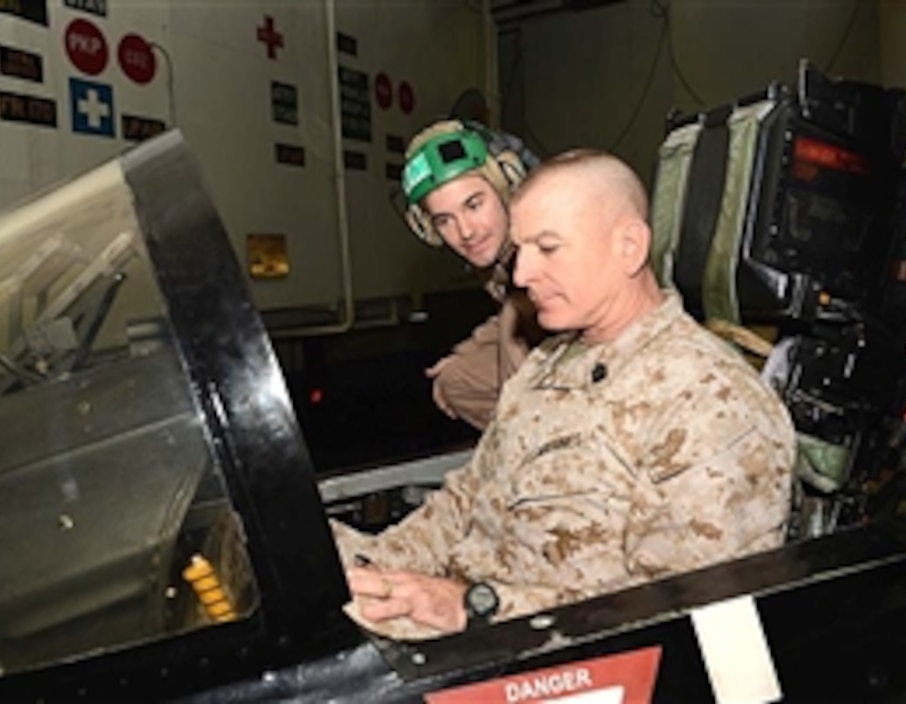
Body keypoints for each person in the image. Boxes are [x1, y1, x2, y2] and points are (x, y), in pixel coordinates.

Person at [333, 149, 797, 640]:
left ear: (629, 246)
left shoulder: (710, 402)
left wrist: (476, 608)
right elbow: (467, 503)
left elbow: (681, 619)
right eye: (520, 249)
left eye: (548, 248)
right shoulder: (547, 364)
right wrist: (373, 570)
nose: (521, 274)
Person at [401, 120, 546, 431]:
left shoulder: (550, 241)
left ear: (507, 186)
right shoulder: (503, 259)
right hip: (547, 351)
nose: (465, 232)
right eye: (444, 220)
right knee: (456, 380)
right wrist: (462, 355)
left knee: (511, 322)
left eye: (474, 204)